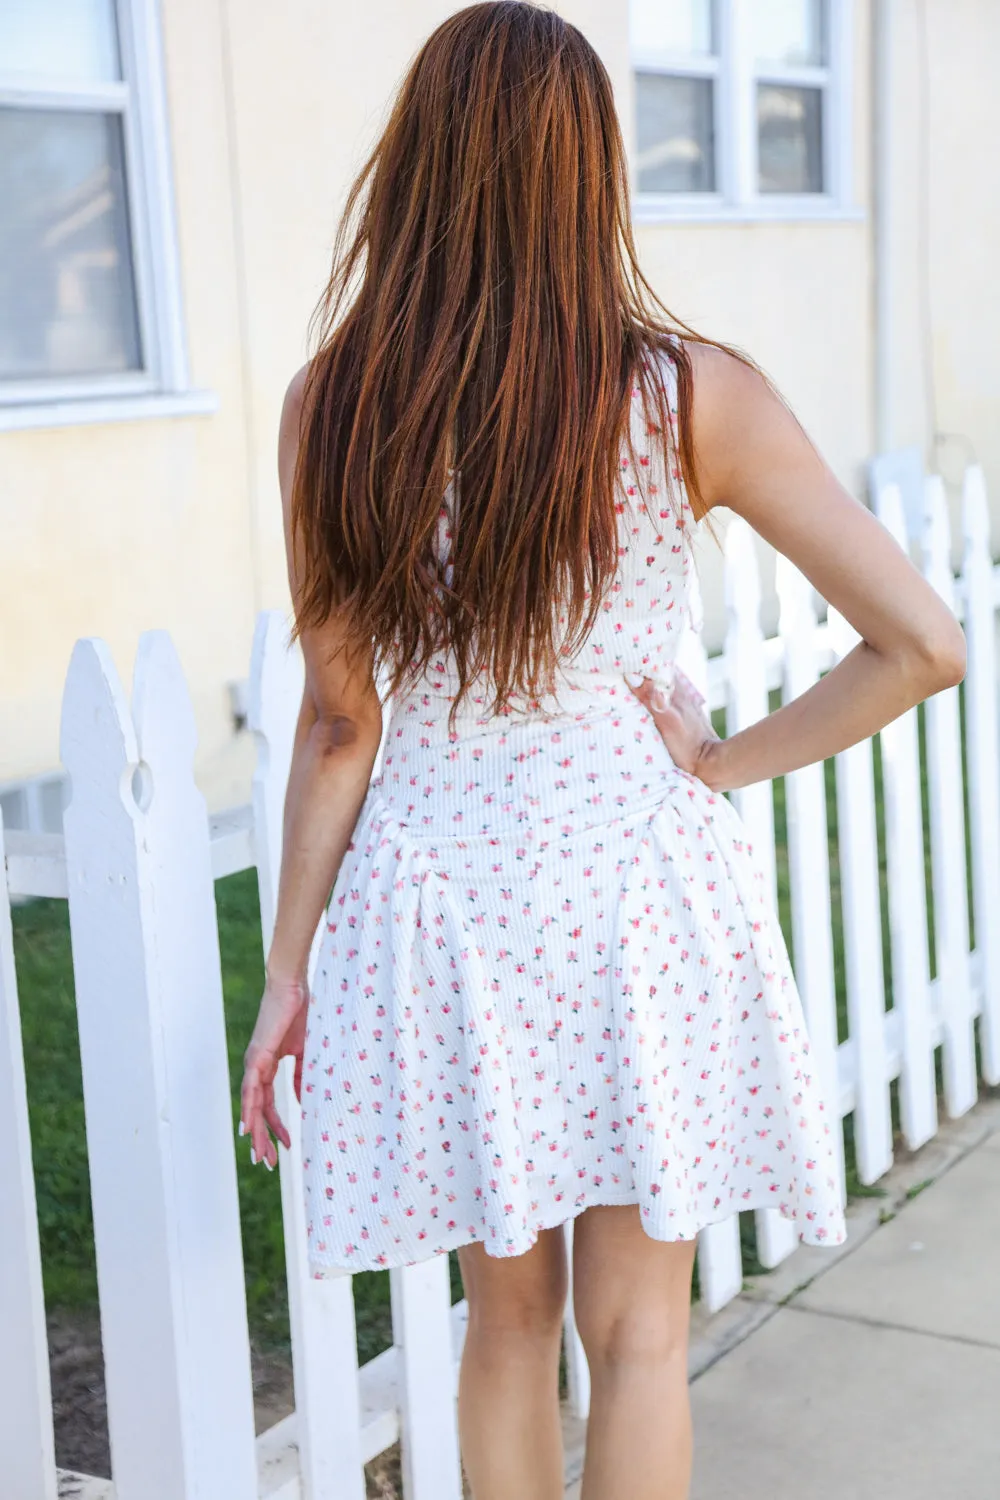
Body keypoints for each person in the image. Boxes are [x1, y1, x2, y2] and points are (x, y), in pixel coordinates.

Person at [238, 5, 965, 1497]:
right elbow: (924, 645)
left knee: (505, 1328)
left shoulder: (332, 414)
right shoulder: (687, 397)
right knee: (636, 1333)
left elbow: (337, 720)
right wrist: (726, 759)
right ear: (590, 175)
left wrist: (286, 974)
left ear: (417, 166)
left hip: (451, 912)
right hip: (639, 896)